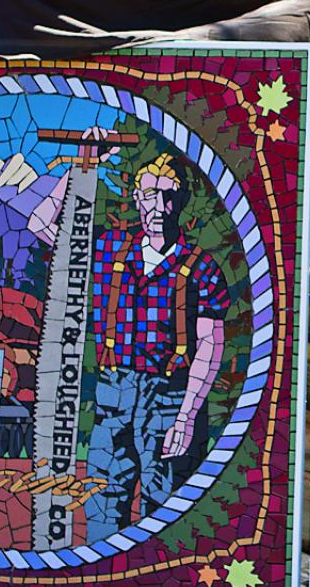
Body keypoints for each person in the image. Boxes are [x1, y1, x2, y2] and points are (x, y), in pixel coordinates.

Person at [76, 149, 228, 541]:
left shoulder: (202, 267)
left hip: (169, 397)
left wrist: (187, 415)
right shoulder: (110, 250)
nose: (158, 206)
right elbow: (43, 224)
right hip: (113, 392)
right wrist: (83, 163)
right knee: (103, 499)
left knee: (165, 504)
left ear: (181, 200)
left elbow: (210, 346)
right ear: (136, 198)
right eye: (150, 194)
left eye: (168, 195)